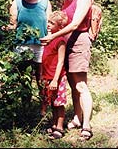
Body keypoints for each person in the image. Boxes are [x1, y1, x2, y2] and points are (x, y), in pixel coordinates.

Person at [40, 0, 93, 140]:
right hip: (66, 41)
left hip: (78, 41)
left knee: (81, 85)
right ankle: (77, 118)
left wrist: (53, 36)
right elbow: (62, 20)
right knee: (71, 84)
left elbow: (75, 24)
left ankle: (86, 126)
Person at [2, 0, 52, 109]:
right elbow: (13, 24)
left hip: (41, 44)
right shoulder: (17, 2)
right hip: (22, 45)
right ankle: (26, 107)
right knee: (24, 77)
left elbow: (50, 24)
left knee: (41, 77)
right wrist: (3, 29)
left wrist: (50, 38)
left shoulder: (45, 2)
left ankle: (43, 108)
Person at [41, 11, 68, 139]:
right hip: (47, 76)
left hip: (57, 78)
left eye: (52, 23)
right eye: (48, 22)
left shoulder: (60, 40)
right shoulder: (48, 38)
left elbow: (61, 61)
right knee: (51, 101)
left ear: (60, 27)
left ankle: (60, 127)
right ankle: (54, 124)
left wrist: (55, 80)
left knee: (59, 102)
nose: (49, 25)